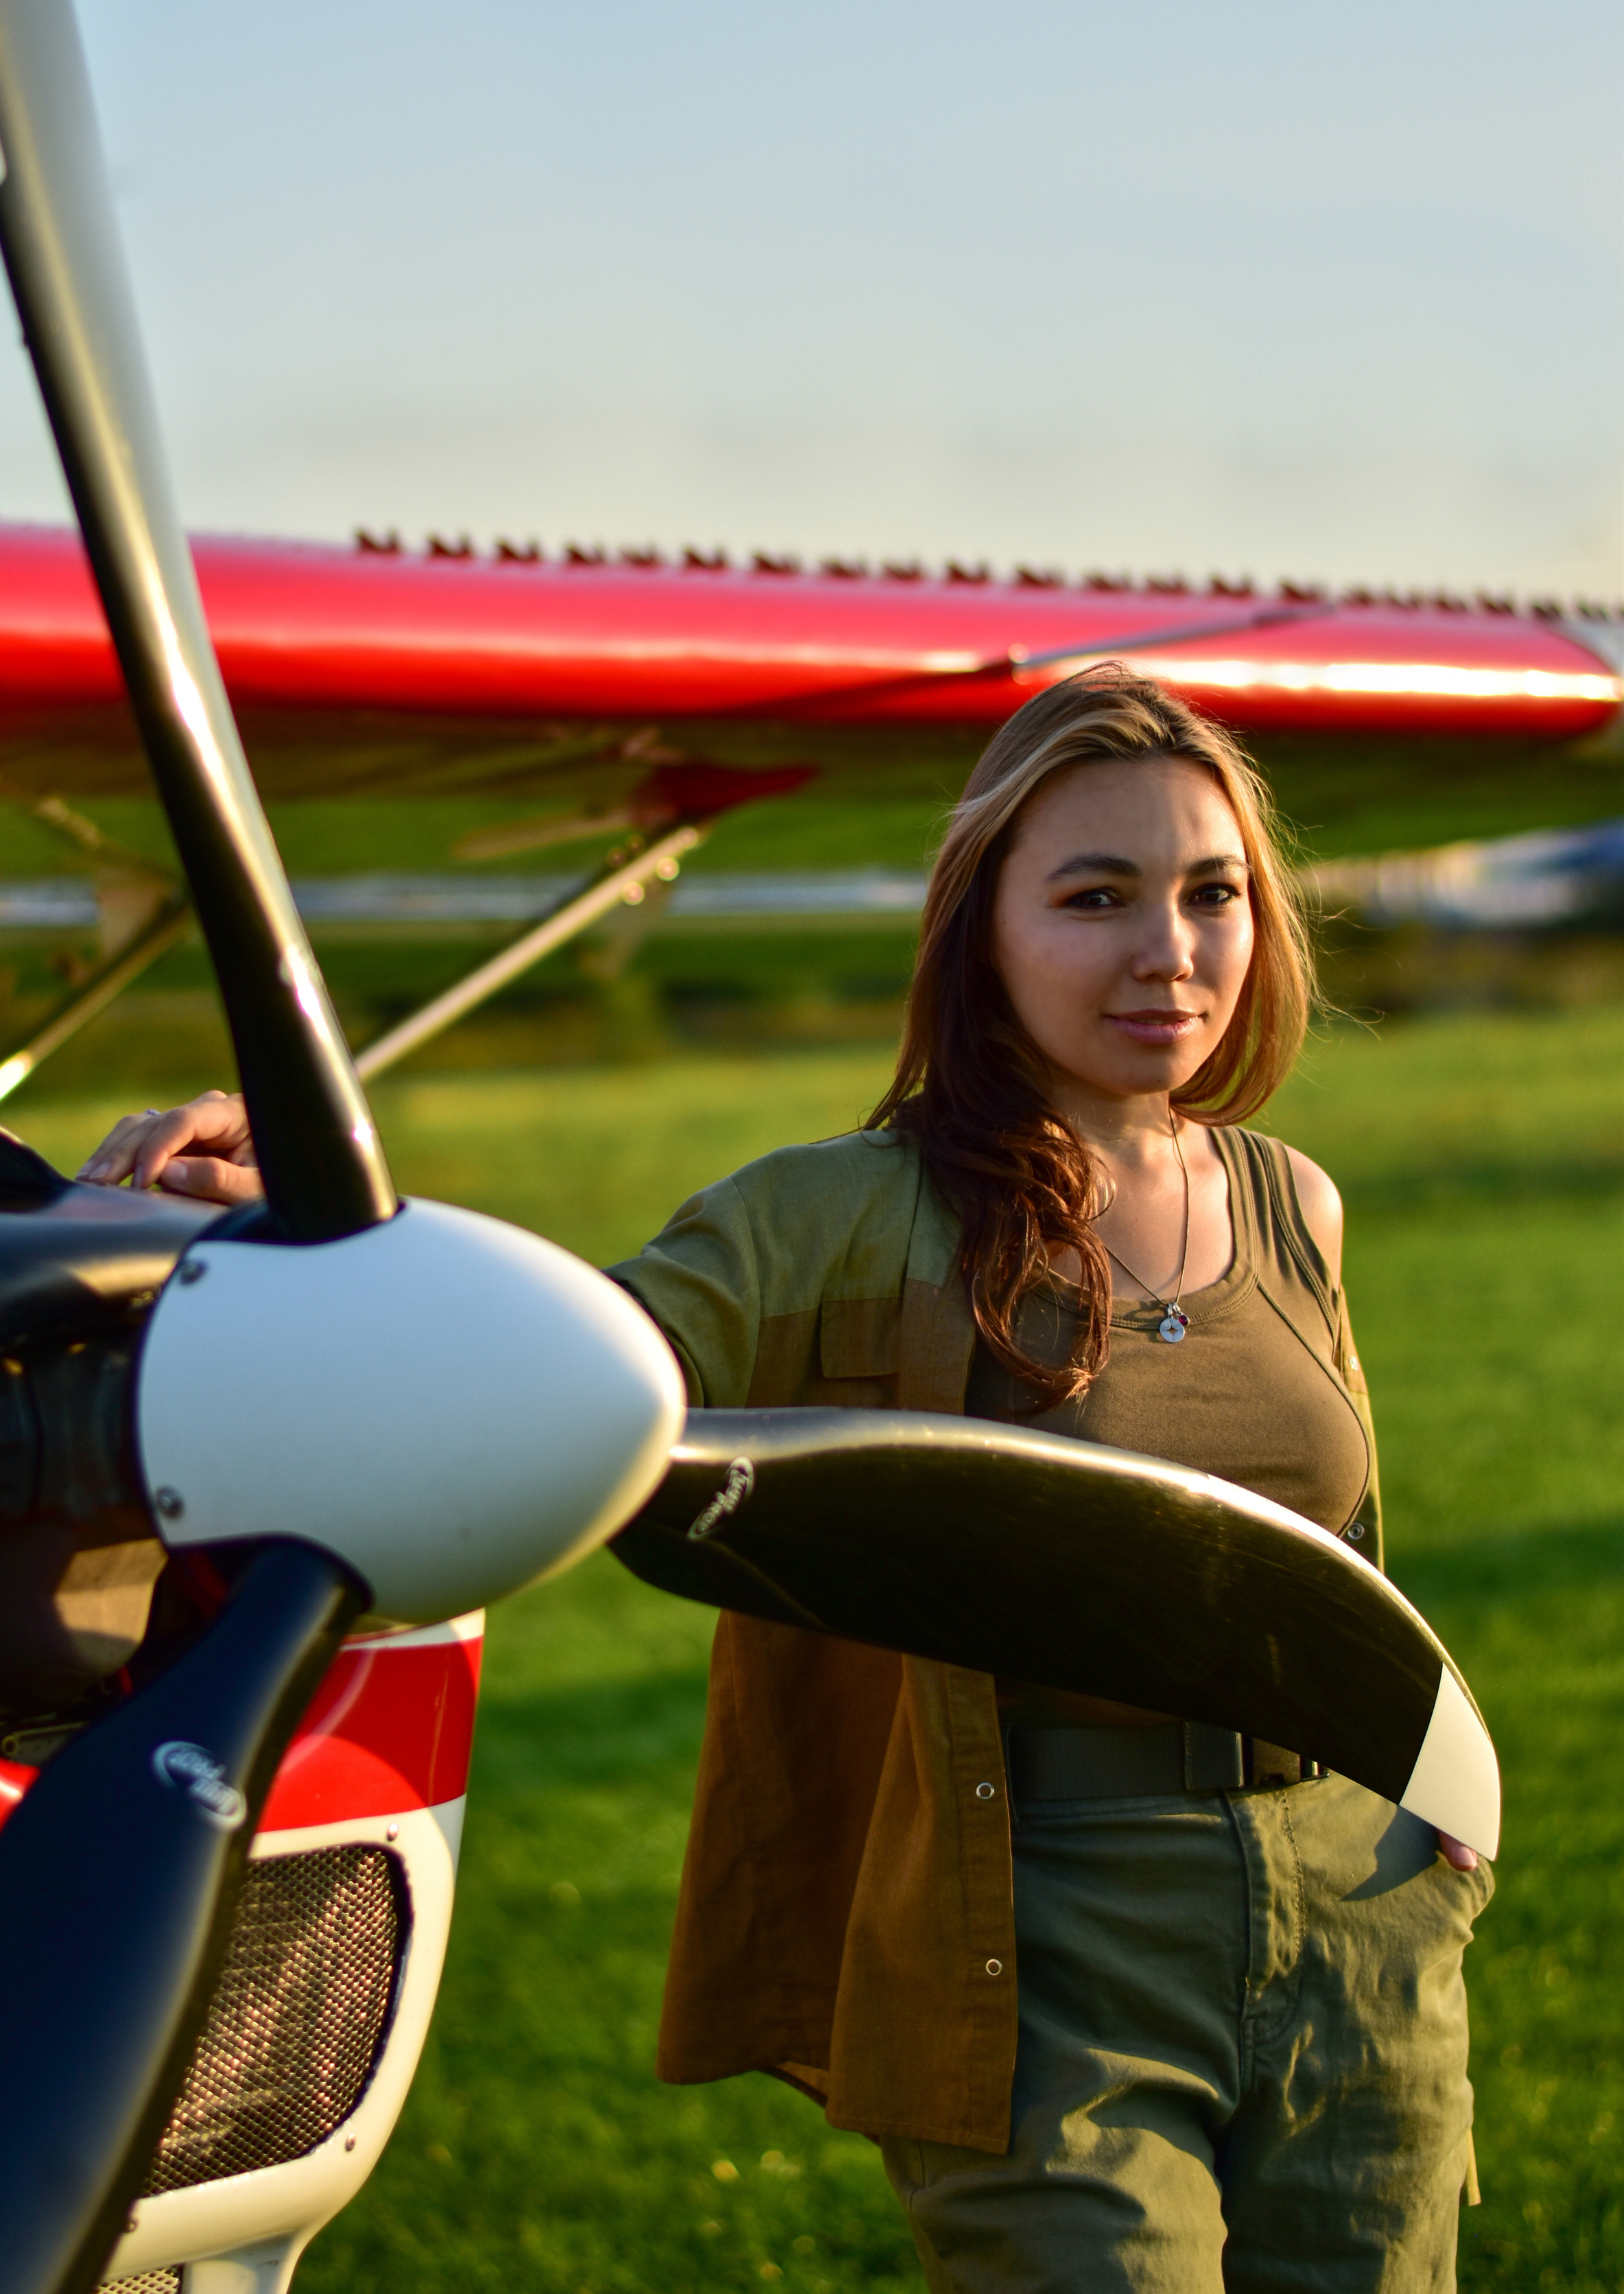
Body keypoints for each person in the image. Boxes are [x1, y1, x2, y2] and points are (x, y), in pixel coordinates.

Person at [80, 667, 1490, 2292]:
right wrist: (298, 1202)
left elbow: (1332, 1555)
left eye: (1209, 894)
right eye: (1093, 897)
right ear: (982, 929)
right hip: (1042, 1940)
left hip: (1361, 1916)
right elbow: (543, 1353)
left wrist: (1435, 1820)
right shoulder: (841, 1213)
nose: (1166, 953)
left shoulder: (1293, 1202)